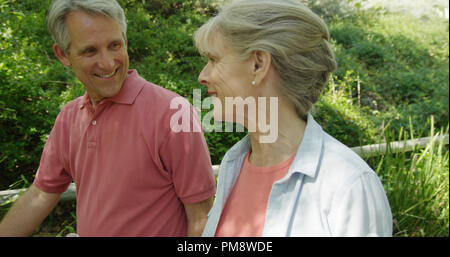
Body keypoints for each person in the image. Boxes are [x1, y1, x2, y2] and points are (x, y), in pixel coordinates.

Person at [0, 0, 216, 237]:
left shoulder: (173, 113)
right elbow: (39, 195)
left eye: (114, 45)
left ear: (125, 41)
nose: (107, 62)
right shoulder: (69, 118)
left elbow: (201, 218)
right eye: (90, 50)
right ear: (63, 54)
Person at [194, 0, 392, 236]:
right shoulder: (234, 164)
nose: (202, 76)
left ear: (259, 64)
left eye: (214, 60)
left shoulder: (349, 185)